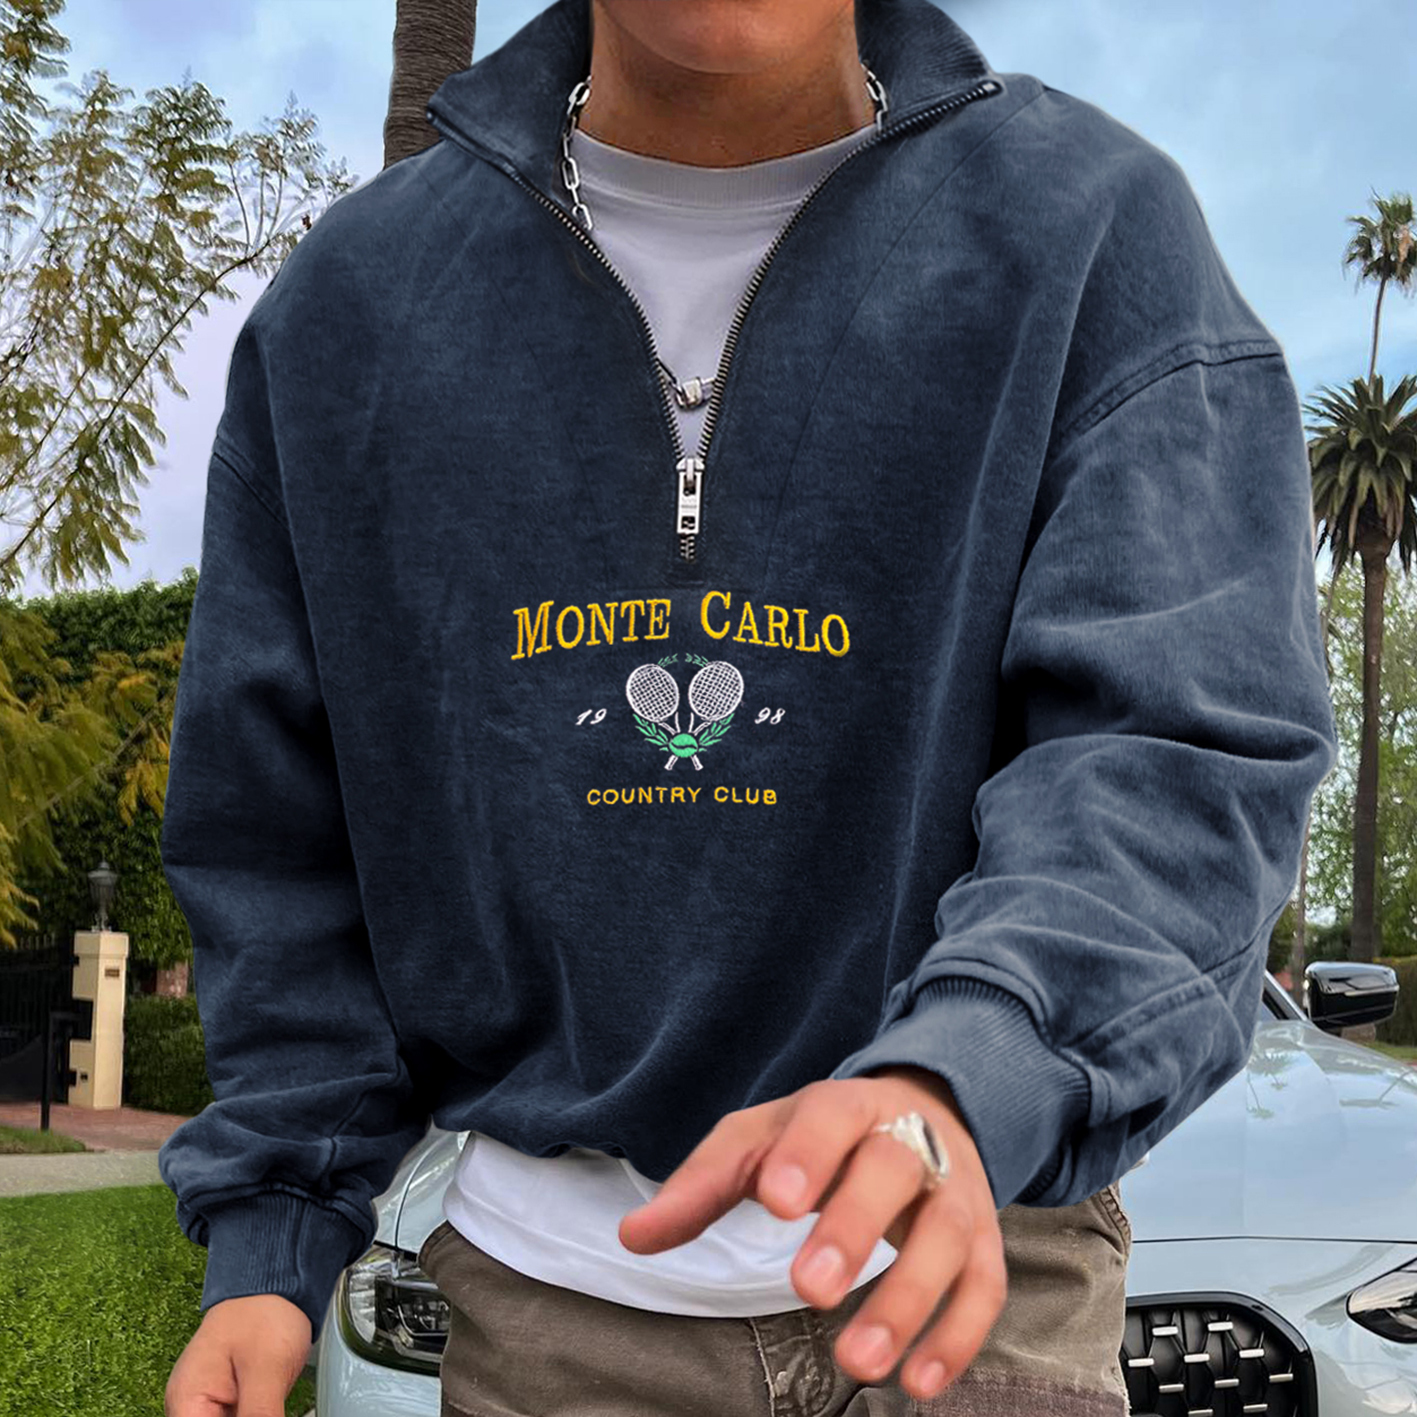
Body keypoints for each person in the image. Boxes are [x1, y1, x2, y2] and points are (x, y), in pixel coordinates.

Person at [160, 0, 1337, 1413]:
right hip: (552, 1335)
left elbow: (1176, 747)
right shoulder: (352, 306)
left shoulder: (1094, 233)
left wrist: (970, 1072)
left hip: (980, 1292)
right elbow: (276, 829)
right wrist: (275, 1225)